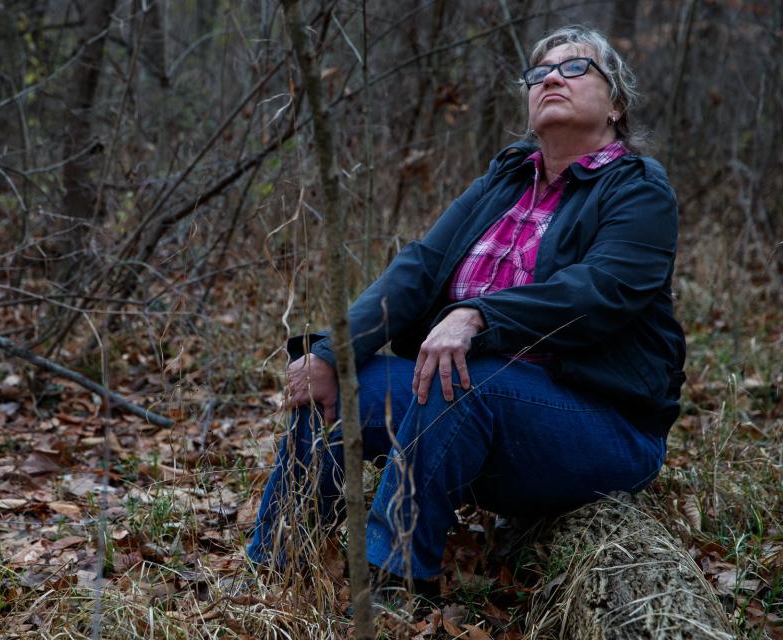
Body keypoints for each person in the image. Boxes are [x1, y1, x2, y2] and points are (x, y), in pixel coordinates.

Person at [247, 25, 686, 591]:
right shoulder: (505, 180)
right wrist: (334, 354)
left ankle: (392, 580)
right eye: (540, 72)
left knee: (464, 379)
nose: (551, 77)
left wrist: (479, 314)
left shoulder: (638, 189)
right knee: (341, 387)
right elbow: (421, 268)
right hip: (475, 403)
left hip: (601, 424)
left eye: (576, 68)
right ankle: (274, 565)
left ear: (616, 105)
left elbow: (601, 288)